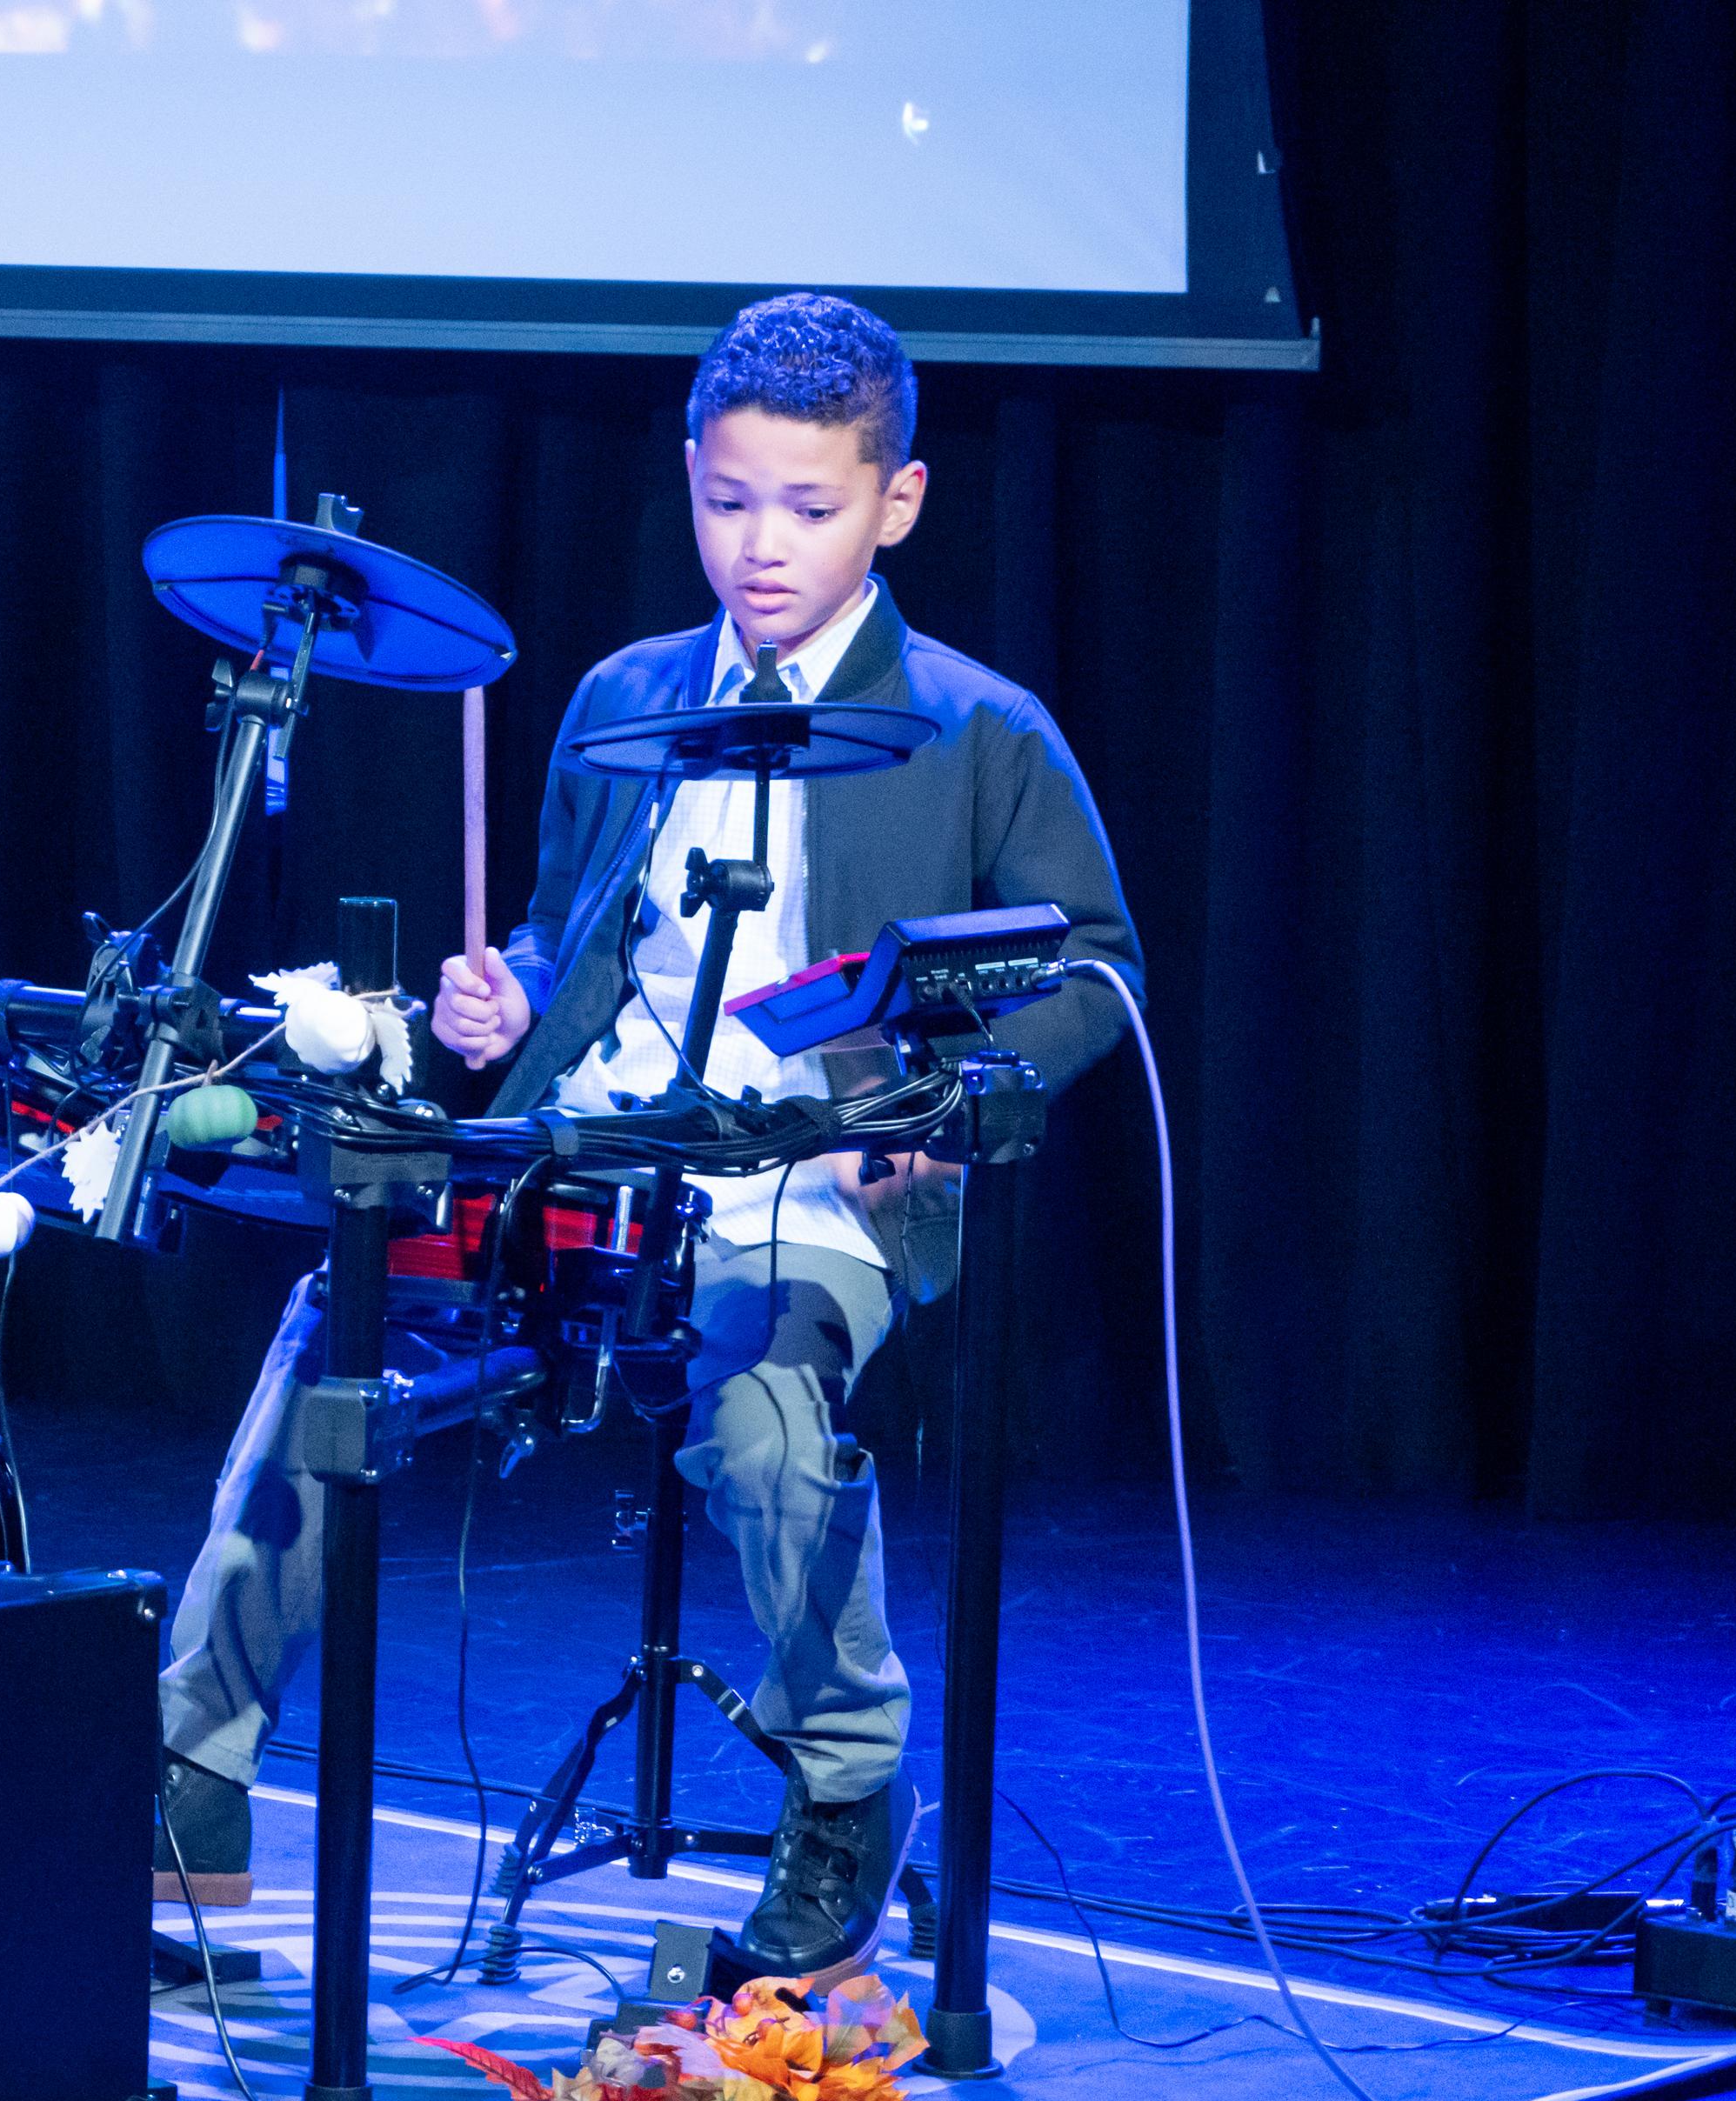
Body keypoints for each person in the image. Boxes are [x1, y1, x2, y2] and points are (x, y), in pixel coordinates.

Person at [151, 291, 1143, 1985]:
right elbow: (570, 934)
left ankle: (850, 1786)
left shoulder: (979, 725)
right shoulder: (626, 692)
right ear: (690, 477)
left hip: (818, 1169)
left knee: (759, 1414)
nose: (762, 545)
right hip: (600, 1146)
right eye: (730, 500)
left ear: (897, 500)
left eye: (810, 507)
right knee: (343, 1322)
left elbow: (1096, 970)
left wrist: (939, 1111)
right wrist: (509, 996)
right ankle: (193, 1776)